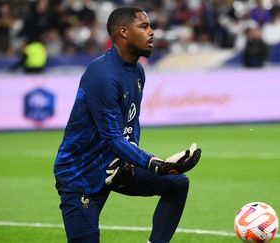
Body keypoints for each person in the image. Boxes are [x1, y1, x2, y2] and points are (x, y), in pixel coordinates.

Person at [53, 6, 202, 243]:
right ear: (123, 32)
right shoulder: (101, 75)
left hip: (114, 167)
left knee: (176, 184)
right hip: (81, 175)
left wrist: (131, 161)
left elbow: (131, 123)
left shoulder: (137, 71)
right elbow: (111, 137)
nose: (152, 32)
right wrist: (153, 163)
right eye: (144, 26)